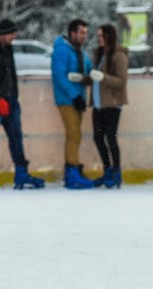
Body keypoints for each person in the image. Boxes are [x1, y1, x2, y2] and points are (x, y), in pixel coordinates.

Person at [0, 18, 43, 189]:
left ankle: (21, 174)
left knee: (16, 137)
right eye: (11, 33)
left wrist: (11, 97)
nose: (14, 36)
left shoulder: (8, 49)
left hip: (11, 101)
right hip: (1, 101)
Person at [51, 18, 94, 189]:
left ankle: (72, 169)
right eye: (82, 33)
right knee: (74, 134)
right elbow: (59, 76)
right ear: (72, 33)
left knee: (74, 135)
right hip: (67, 100)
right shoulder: (61, 50)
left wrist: (93, 74)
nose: (84, 36)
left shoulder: (79, 51)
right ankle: (71, 173)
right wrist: (75, 96)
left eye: (86, 33)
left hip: (78, 99)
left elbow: (89, 67)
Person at [89, 24, 128, 188]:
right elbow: (95, 77)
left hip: (112, 104)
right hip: (98, 104)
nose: (99, 39)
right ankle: (107, 170)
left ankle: (116, 172)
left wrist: (103, 77)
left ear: (109, 36)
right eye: (97, 36)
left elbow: (121, 80)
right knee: (98, 137)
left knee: (110, 137)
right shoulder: (100, 54)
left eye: (101, 36)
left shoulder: (118, 55)